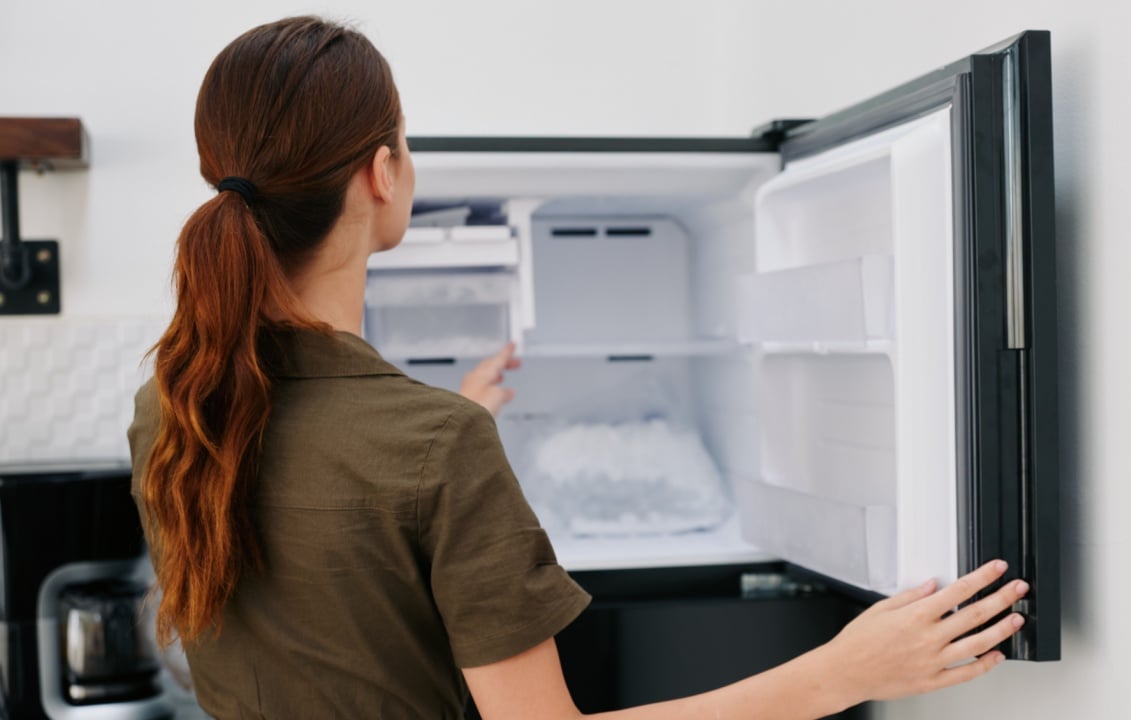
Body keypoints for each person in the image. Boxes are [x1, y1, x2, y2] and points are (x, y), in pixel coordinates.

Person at [128, 16, 1029, 720]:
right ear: (381, 172)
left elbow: (329, 558)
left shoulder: (172, 407)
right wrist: (845, 671)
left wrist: (434, 432)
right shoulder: (437, 446)